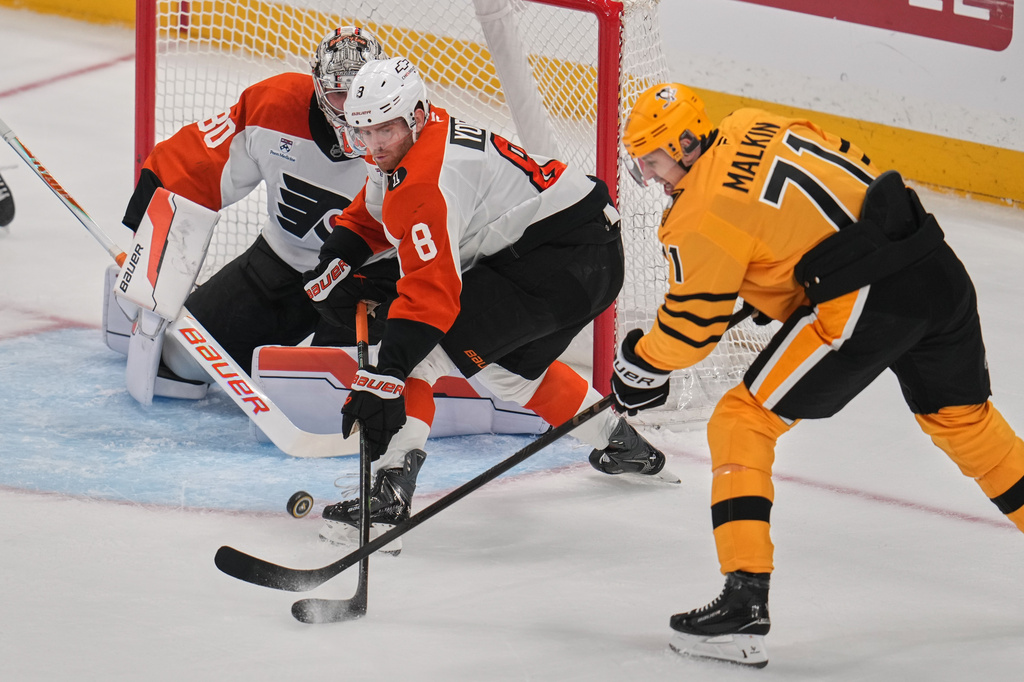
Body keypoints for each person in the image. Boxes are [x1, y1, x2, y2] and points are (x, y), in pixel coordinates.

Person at [617, 82, 1024, 667]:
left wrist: (641, 363)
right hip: (933, 264)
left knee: (742, 419)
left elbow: (689, 330)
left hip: (867, 300)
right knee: (965, 423)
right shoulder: (749, 122)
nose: (650, 176)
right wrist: (775, 283)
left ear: (684, 143)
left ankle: (743, 604)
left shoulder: (699, 212)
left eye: (653, 160)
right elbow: (850, 173)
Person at [302, 56, 670, 547]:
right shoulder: (415, 139)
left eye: (383, 130)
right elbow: (377, 208)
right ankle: (622, 445)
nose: (372, 145)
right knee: (507, 370)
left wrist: (385, 376)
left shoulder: (426, 181)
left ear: (413, 116)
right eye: (362, 132)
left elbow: (432, 297)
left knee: (418, 354)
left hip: (557, 263)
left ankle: (387, 499)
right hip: (586, 255)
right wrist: (340, 253)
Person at [117, 26, 398, 387]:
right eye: (339, 93)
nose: (351, 107)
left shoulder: (406, 131)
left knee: (334, 391)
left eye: (361, 92)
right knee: (183, 360)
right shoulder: (275, 105)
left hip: (368, 278)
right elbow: (197, 163)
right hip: (281, 261)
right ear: (318, 86)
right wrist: (145, 238)